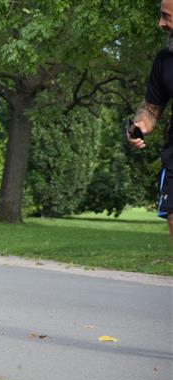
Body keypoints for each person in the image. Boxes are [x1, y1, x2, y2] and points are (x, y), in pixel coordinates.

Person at [127, 0, 173, 238]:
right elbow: (151, 108)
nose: (161, 24)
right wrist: (140, 124)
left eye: (167, 16)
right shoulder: (165, 60)